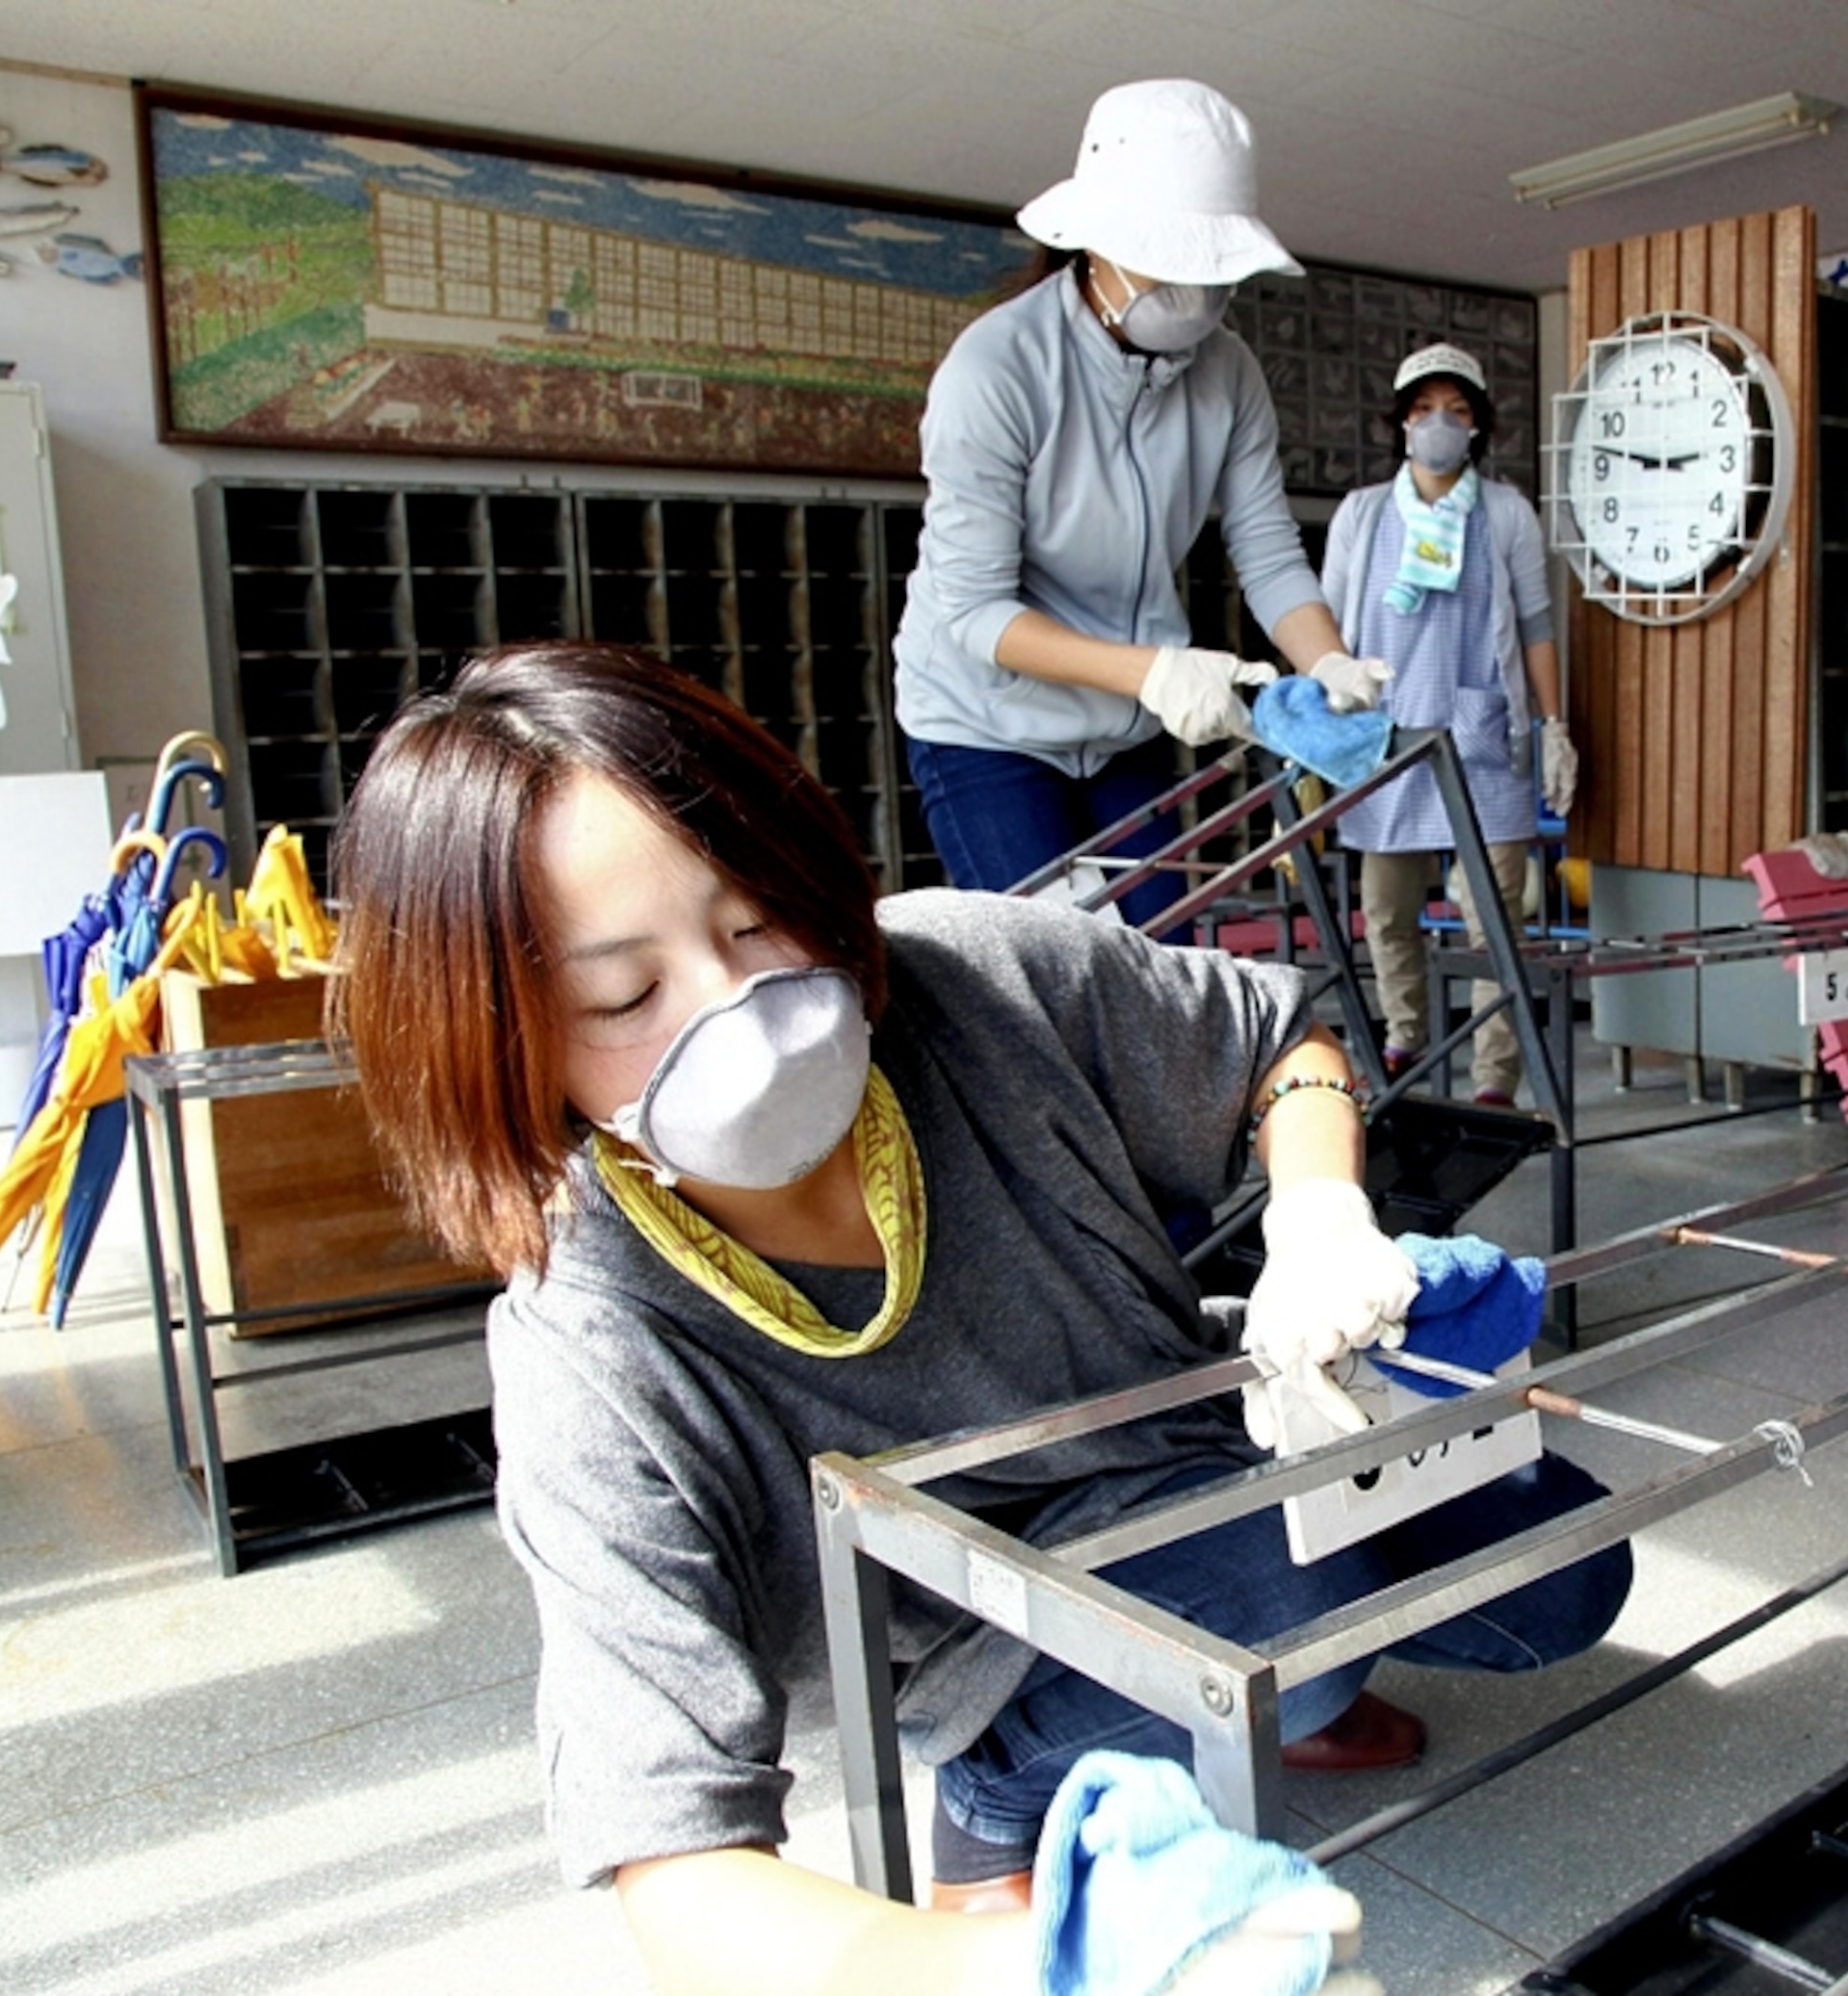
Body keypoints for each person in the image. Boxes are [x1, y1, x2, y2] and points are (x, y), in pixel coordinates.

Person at [330, 642, 1631, 1993]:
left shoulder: (967, 975)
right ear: (504, 1042)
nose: (743, 1009)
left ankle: (1264, 1691)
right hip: (979, 1647)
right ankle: (1009, 1794)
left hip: (1189, 1469)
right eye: (623, 996)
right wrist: (1029, 1966)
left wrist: (1318, 1220)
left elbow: (1271, 1037)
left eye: (754, 920)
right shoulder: (589, 1348)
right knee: (1281, 1588)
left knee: (1564, 1569)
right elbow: (672, 1860)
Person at [894, 78, 1389, 926]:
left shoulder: (1229, 374)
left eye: (1213, 269)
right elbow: (976, 612)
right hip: (989, 723)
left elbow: (1269, 552)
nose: (1195, 291)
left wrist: (1329, 662)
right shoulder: (996, 371)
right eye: (1174, 261)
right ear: (1101, 241)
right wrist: (1155, 670)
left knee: (1164, 960)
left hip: (1127, 725)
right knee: (1053, 969)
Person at [1323, 342, 1575, 1106]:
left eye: (1458, 411)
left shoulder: (1504, 513)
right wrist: (1318, 730)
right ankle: (1405, 1039)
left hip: (1481, 735)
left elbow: (1535, 624)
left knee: (1494, 921)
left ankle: (1496, 1074)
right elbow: (1327, 629)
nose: (1441, 423)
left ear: (1478, 427)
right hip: (1384, 738)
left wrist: (1553, 722)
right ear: (1401, 421)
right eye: (1427, 409)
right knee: (1387, 909)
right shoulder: (1363, 514)